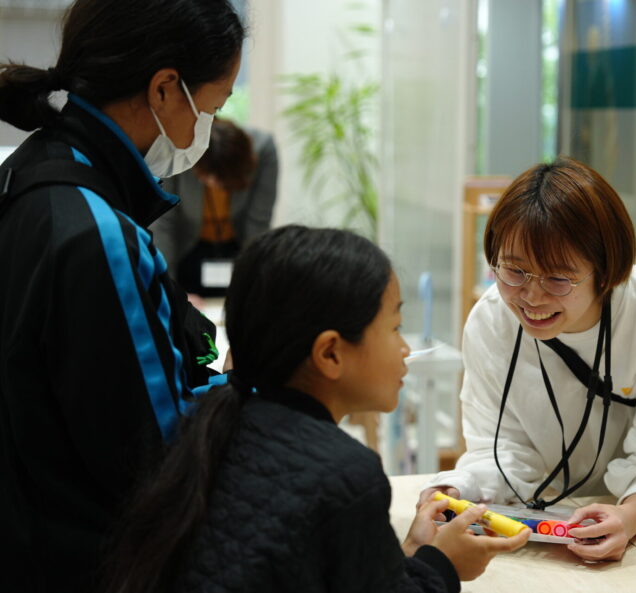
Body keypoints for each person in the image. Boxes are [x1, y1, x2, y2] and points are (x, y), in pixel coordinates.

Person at [105, 225, 529, 593]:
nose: (404, 349)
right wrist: (444, 564)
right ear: (330, 353)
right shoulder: (345, 474)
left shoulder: (213, 425)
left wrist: (412, 553)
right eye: (395, 327)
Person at [0, 1, 244, 591]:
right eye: (212, 108)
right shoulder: (97, 233)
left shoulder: (31, 171)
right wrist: (250, 388)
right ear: (164, 89)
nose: (206, 131)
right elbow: (159, 453)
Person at [419, 157, 636, 562]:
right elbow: (498, 451)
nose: (532, 297)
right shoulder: (491, 321)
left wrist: (627, 518)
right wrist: (455, 490)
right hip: (547, 516)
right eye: (514, 271)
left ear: (605, 272)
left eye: (557, 278)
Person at [150, 117, 279, 298]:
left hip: (238, 247)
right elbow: (164, 224)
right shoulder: (176, 152)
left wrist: (254, 286)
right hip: (187, 249)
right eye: (211, 180)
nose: (217, 187)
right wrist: (171, 291)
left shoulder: (263, 150)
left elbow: (258, 222)